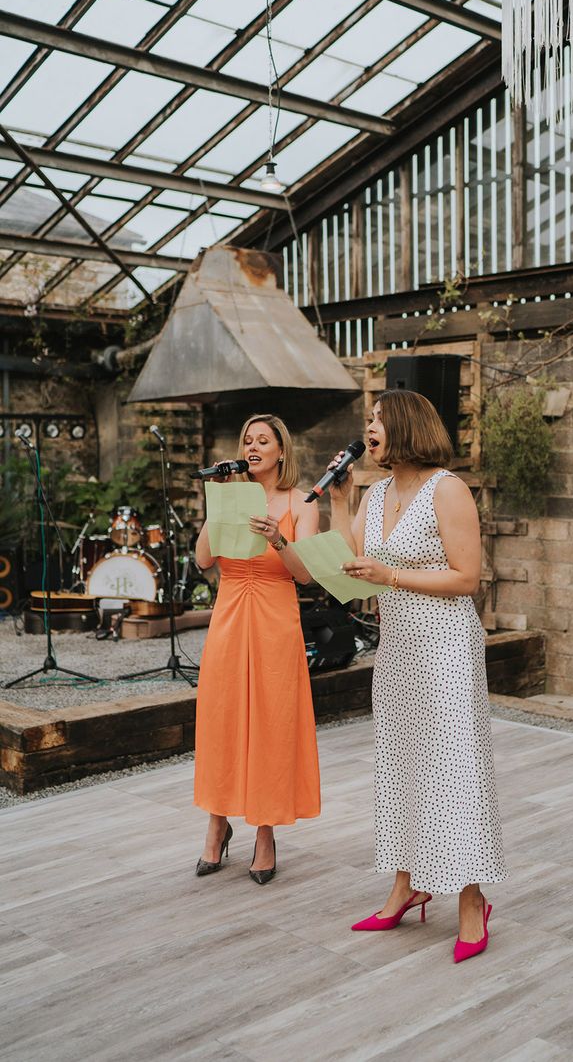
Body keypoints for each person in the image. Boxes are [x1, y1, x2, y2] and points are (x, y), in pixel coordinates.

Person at [329, 389, 507, 962]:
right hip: (399, 648)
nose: (369, 427)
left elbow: (467, 579)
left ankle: (472, 898)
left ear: (405, 425)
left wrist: (393, 576)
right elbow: (354, 569)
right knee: (400, 763)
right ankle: (407, 885)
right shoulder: (376, 493)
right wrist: (339, 500)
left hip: (447, 645)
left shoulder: (447, 488)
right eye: (369, 420)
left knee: (455, 769)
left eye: (378, 419)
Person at [193, 413, 320, 884]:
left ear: (280, 451)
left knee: (272, 722)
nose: (252, 446)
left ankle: (265, 832)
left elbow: (305, 573)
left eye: (262, 440)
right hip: (230, 614)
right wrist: (219, 500)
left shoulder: (302, 502)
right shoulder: (231, 493)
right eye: (247, 439)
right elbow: (204, 558)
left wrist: (278, 538)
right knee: (221, 717)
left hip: (275, 617)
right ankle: (217, 823)